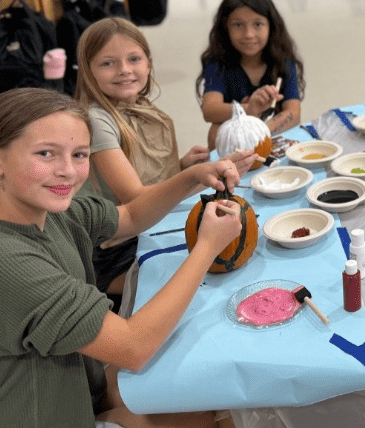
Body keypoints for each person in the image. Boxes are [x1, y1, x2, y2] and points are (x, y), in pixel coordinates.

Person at [0, 88, 243, 428]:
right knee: (214, 413)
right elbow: (135, 347)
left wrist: (191, 177)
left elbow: (131, 215)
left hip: (63, 400)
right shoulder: (0, 260)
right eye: (45, 154)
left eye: (79, 155)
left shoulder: (48, 211)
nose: (67, 170)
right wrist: (207, 248)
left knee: (186, 378)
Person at [75, 17, 254, 299]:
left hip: (147, 225)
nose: (124, 70)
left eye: (134, 59)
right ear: (87, 71)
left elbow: (145, 178)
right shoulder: (97, 120)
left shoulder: (139, 105)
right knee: (205, 283)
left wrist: (182, 167)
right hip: (112, 252)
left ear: (148, 63)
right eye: (107, 63)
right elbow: (135, 199)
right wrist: (193, 178)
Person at [197, 0, 305, 149]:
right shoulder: (218, 62)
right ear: (226, 28)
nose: (248, 34)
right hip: (235, 137)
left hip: (271, 133)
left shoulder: (283, 60)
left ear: (271, 26)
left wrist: (258, 133)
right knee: (215, 131)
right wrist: (248, 109)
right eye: (238, 25)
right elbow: (209, 110)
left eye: (258, 24)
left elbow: (293, 113)